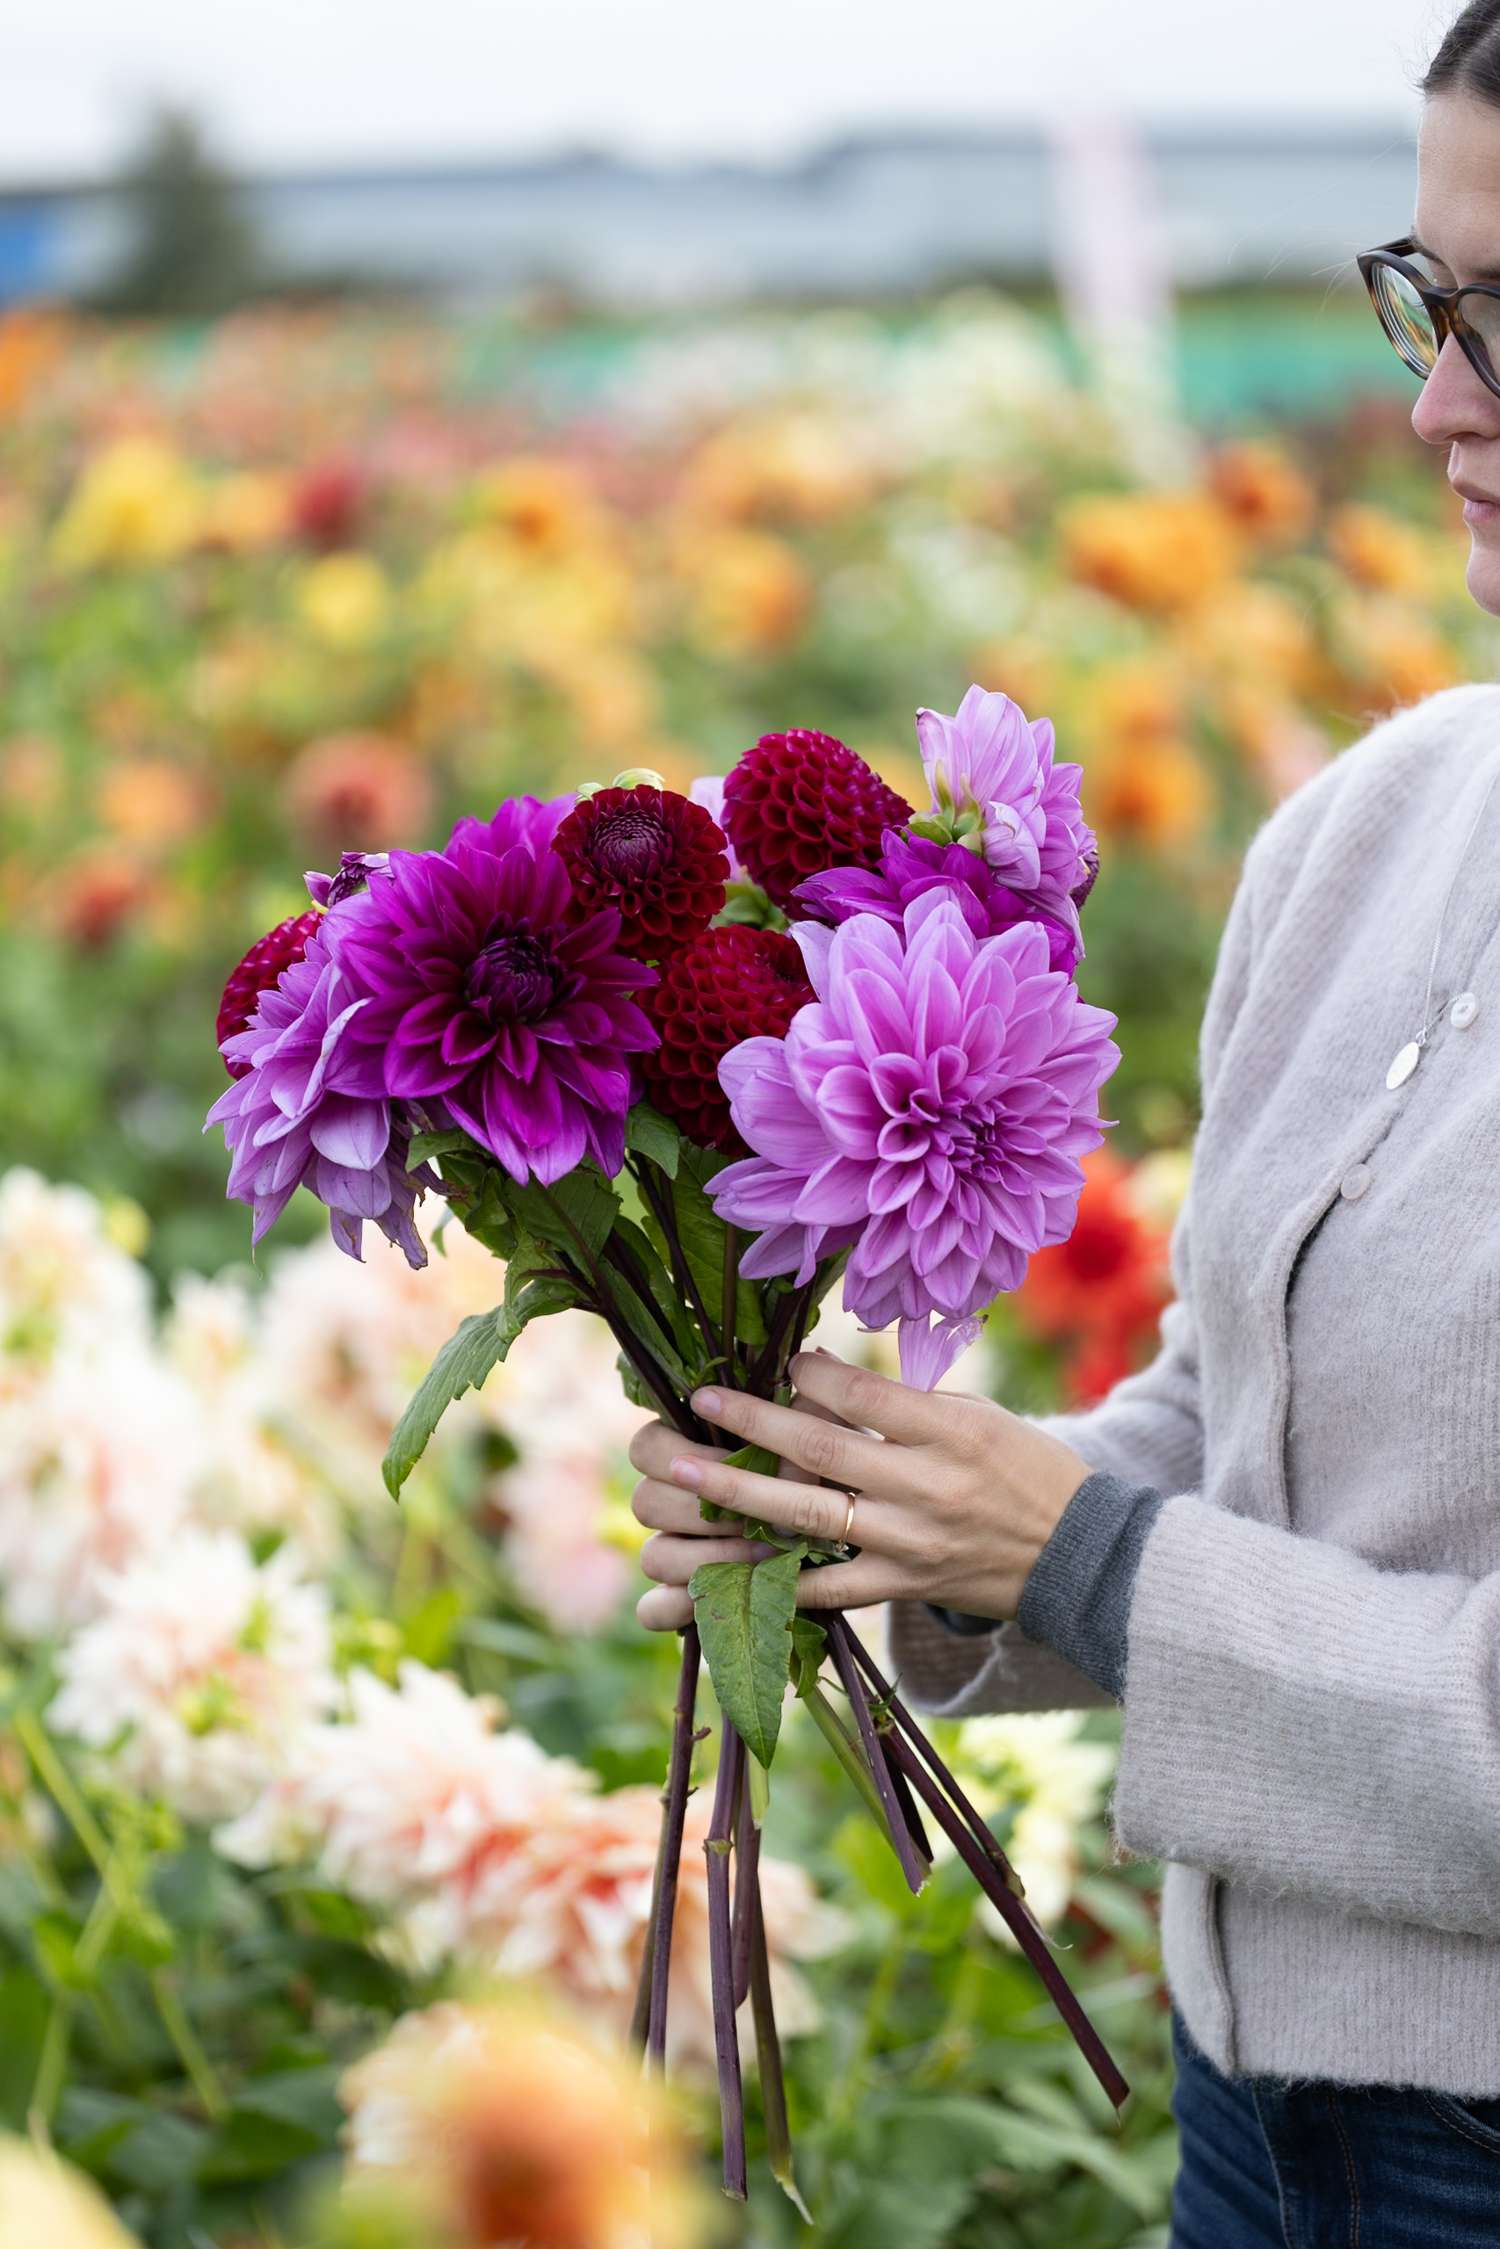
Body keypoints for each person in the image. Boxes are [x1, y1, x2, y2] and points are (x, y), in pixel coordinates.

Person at [627, 6, 1500, 2240]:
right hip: (1250, 2116)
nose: (1436, 401)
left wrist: (1078, 1561)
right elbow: (1241, 1422)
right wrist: (879, 1505)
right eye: (1429, 294)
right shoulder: (1376, 827)